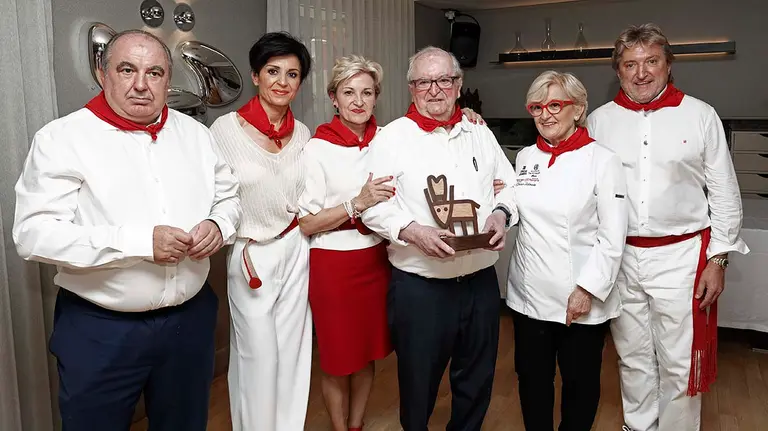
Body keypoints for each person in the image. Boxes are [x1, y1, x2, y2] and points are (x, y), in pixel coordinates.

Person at [12, 30, 241, 430]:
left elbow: (230, 198)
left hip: (190, 322)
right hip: (101, 330)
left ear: (168, 81)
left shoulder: (197, 136)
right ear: (103, 74)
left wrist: (218, 224)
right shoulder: (62, 139)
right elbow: (33, 233)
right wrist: (138, 242)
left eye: (154, 73)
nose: (140, 84)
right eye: (127, 69)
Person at [587, 23, 749, 431]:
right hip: (620, 256)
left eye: (651, 62)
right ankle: (639, 426)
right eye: (630, 64)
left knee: (679, 362)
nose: (641, 73)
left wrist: (719, 260)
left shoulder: (700, 116)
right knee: (632, 354)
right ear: (618, 70)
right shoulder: (598, 122)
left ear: (668, 64)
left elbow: (725, 194)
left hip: (681, 257)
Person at [360, 46, 518, 431]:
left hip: (480, 284)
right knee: (418, 387)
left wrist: (501, 215)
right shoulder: (391, 138)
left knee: (476, 382)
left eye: (444, 80)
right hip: (421, 288)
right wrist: (414, 232)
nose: (434, 90)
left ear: (458, 85)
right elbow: (373, 207)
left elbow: (510, 186)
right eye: (424, 82)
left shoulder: (480, 134)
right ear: (412, 88)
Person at [506, 70, 628, 431]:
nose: (546, 114)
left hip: (581, 298)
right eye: (537, 107)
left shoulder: (602, 160)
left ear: (577, 109)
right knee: (532, 382)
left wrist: (587, 289)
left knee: (580, 385)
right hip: (528, 296)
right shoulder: (525, 158)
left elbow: (613, 232)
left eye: (555, 104)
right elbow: (512, 207)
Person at [208, 31, 313, 431]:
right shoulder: (224, 130)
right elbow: (214, 195)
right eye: (273, 71)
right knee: (258, 356)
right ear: (255, 75)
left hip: (295, 247)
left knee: (293, 353)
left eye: (292, 73)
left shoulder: (302, 133)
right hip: (251, 254)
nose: (282, 82)